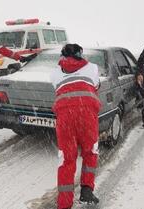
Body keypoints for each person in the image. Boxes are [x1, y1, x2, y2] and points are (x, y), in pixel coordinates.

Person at [50, 44, 101, 209]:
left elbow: (59, 89)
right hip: (86, 113)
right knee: (90, 152)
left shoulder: (55, 73)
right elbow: (96, 86)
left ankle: (64, 204)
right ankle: (86, 191)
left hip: (65, 116)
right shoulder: (92, 67)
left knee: (67, 159)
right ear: (80, 54)